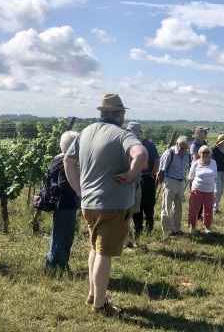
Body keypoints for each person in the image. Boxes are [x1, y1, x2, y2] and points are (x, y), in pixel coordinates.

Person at [64, 93, 148, 317]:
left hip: (88, 203)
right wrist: (130, 174)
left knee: (95, 248)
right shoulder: (122, 135)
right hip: (113, 204)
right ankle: (100, 305)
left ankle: (93, 294)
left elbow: (68, 160)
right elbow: (141, 154)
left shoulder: (86, 132)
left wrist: (79, 190)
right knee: (105, 253)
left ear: (102, 112)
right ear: (119, 114)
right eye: (122, 112)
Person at [45, 130, 79, 272]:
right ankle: (58, 266)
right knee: (63, 235)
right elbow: (64, 183)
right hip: (65, 203)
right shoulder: (64, 162)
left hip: (62, 203)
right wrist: (79, 190)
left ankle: (55, 264)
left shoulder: (57, 158)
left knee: (59, 233)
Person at [126, 122, 160, 238]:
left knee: (148, 203)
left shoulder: (149, 145)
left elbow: (156, 161)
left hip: (146, 177)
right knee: (136, 204)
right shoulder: (128, 145)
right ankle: (138, 228)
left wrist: (152, 175)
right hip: (133, 178)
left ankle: (149, 225)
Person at [158, 136, 189, 237]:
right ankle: (167, 231)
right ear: (176, 144)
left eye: (185, 148)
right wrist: (163, 184)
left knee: (178, 207)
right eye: (181, 147)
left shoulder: (185, 155)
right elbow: (161, 171)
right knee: (167, 207)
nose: (182, 150)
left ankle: (176, 229)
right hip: (170, 181)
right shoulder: (169, 154)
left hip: (180, 182)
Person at [187, 145, 217, 234]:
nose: (205, 154)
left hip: (210, 190)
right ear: (199, 153)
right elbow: (190, 177)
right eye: (203, 152)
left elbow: (215, 176)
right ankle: (192, 226)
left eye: (207, 152)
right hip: (197, 190)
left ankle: (208, 227)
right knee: (194, 209)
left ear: (210, 154)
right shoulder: (195, 163)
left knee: (208, 209)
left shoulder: (213, 163)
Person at [191, 126, 209, 220]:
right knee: (197, 195)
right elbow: (195, 159)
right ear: (198, 133)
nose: (206, 133)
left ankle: (199, 214)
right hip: (197, 173)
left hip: (205, 171)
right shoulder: (194, 144)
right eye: (204, 132)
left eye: (206, 132)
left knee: (203, 193)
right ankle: (195, 215)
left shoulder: (204, 143)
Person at [212, 134, 224, 214]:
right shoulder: (214, 150)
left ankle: (216, 208)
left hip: (223, 172)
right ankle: (213, 208)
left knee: (221, 191)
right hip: (216, 172)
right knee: (217, 190)